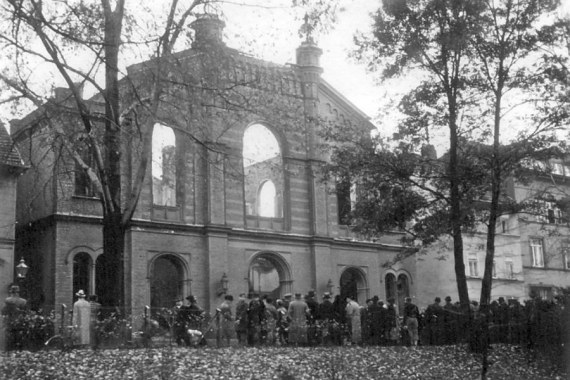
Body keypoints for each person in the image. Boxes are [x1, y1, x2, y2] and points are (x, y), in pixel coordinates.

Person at [2, 284, 28, 350]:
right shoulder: (23, 301)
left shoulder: (7, 300)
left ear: (11, 292)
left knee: (10, 341)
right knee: (19, 340)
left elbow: (3, 312)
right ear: (18, 292)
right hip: (20, 323)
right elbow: (25, 313)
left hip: (10, 322)